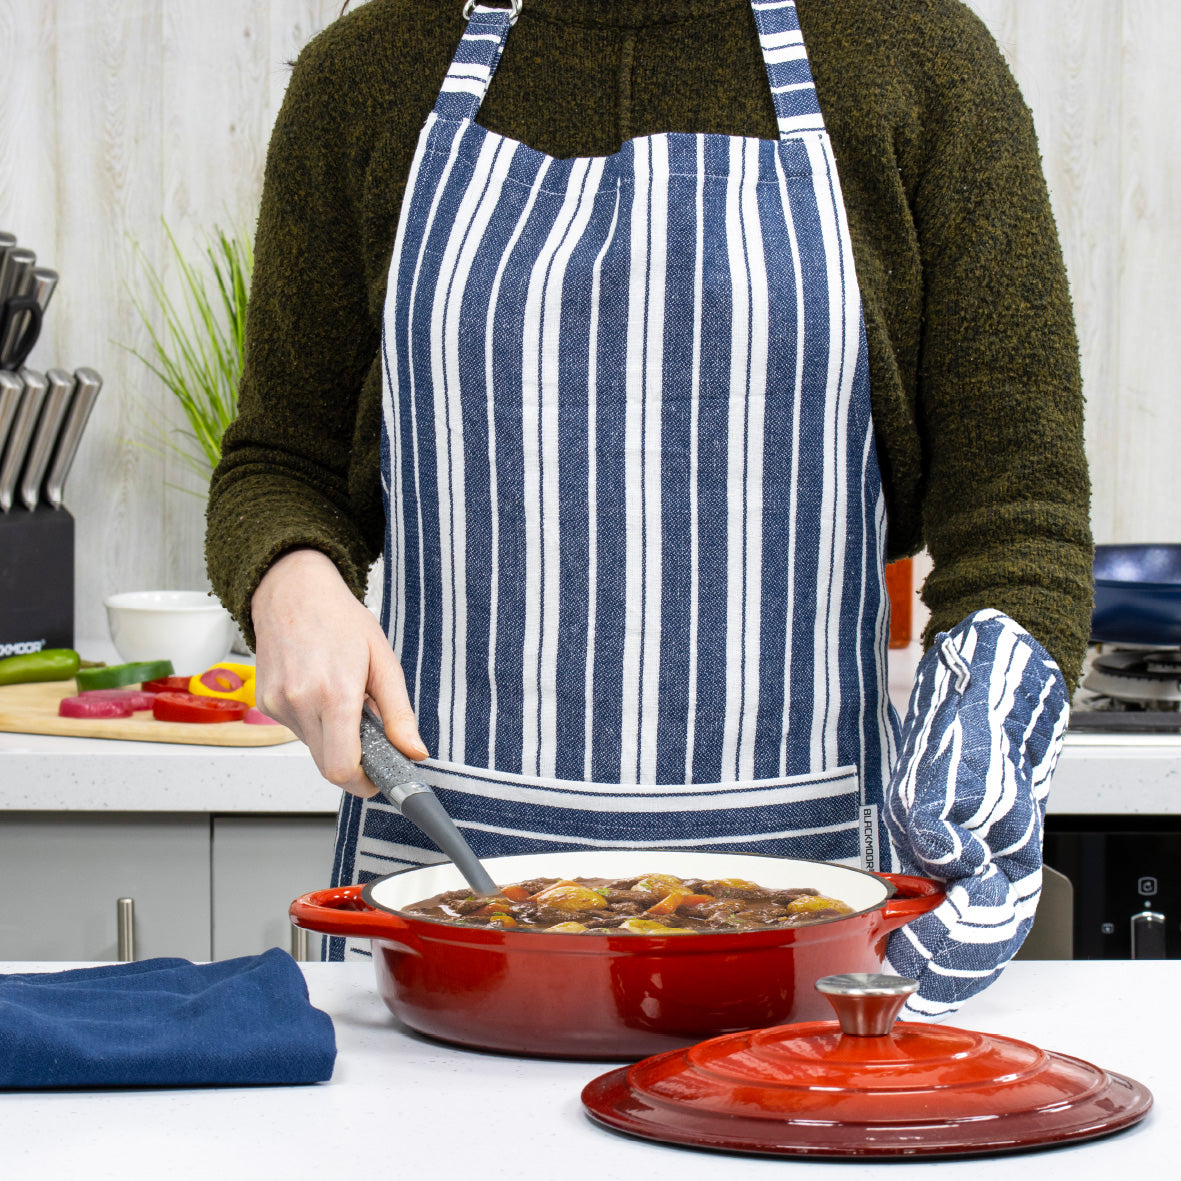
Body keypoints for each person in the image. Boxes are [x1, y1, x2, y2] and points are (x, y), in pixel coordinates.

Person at [206, 0, 1093, 1019]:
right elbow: (281, 460)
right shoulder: (366, 74)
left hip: (812, 941)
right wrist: (288, 572)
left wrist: (982, 725)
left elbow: (1017, 500)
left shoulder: (917, 60)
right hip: (442, 924)